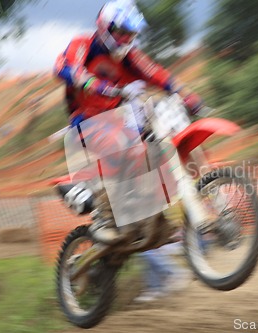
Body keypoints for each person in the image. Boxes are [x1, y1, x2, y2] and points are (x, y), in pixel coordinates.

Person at [54, 0, 204, 244]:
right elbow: (64, 68)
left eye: (130, 33)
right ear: (107, 28)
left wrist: (186, 94)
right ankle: (105, 214)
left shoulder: (130, 57)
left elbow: (156, 73)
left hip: (118, 118)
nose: (126, 39)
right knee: (120, 142)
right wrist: (104, 87)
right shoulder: (84, 45)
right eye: (122, 32)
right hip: (86, 121)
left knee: (153, 147)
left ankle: (153, 214)